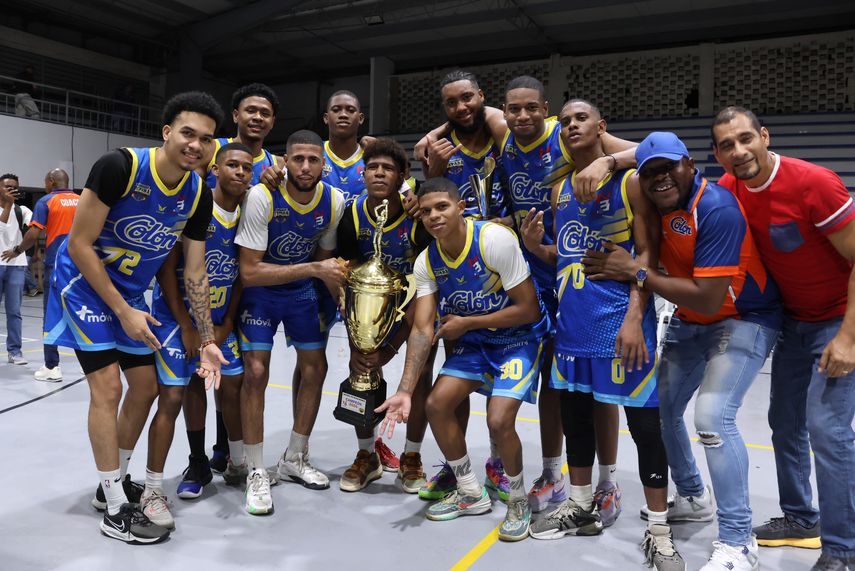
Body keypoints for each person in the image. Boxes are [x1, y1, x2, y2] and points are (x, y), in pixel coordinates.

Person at [585, 130, 782, 570]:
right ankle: (693, 496)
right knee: (661, 411)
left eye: (669, 168)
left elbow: (709, 298)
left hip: (742, 318)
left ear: (690, 165)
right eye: (650, 173)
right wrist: (610, 162)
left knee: (713, 419)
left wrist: (634, 273)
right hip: (691, 323)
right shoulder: (654, 205)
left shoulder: (716, 208)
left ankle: (738, 539)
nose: (660, 179)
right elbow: (636, 150)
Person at [43, 91, 227, 543]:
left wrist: (206, 338)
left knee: (144, 387)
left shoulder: (199, 193)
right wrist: (124, 311)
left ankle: (113, 486)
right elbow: (79, 244)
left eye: (206, 139)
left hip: (128, 293)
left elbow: (197, 272)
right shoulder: (119, 166)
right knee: (107, 387)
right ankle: (115, 506)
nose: (196, 145)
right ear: (167, 133)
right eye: (187, 133)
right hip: (83, 285)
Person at [520, 103, 681, 571]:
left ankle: (658, 530)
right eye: (565, 121)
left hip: (619, 327)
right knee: (576, 419)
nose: (571, 126)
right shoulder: (557, 191)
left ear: (601, 128)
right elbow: (567, 256)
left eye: (580, 119)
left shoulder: (629, 183)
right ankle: (582, 504)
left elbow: (646, 257)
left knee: (645, 428)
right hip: (571, 325)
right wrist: (536, 248)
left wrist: (635, 318)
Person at [712, 106, 855, 571]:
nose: (739, 151)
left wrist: (849, 338)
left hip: (839, 319)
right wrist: (609, 161)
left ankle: (843, 549)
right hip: (794, 322)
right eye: (727, 145)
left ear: (765, 137)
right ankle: (800, 518)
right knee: (784, 421)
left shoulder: (814, 183)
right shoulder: (729, 189)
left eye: (746, 138)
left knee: (828, 430)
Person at [376, 177, 550, 542]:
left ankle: (517, 501)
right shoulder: (427, 261)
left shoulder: (494, 240)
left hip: (517, 339)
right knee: (437, 404)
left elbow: (529, 309)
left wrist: (468, 322)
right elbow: (422, 329)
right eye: (426, 211)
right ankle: (470, 491)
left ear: (460, 207)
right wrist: (406, 390)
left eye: (442, 207)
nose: (434, 216)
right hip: (474, 342)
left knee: (499, 419)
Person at [234, 129, 346, 515]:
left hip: (300, 293)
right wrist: (315, 268)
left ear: (323, 164)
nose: (305, 166)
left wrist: (342, 301)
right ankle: (255, 469)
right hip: (261, 294)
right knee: (256, 371)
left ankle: (295, 457)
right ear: (284, 160)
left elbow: (326, 259)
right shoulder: (262, 196)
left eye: (313, 159)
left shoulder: (334, 200)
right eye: (297, 158)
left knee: (316, 368)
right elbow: (248, 272)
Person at [150, 143, 252, 500]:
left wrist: (223, 326)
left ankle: (231, 455)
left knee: (233, 383)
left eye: (246, 168)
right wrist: (189, 325)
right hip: (180, 316)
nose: (240, 172)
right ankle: (197, 461)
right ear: (215, 169)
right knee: (190, 387)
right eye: (232, 166)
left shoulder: (250, 212)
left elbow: (243, 276)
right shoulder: (196, 206)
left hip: (221, 317)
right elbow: (166, 269)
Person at [335, 138, 435, 493]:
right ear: (362, 173)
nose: (379, 173)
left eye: (388, 168)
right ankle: (367, 455)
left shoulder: (418, 216)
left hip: (415, 303)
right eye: (373, 167)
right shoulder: (351, 213)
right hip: (368, 308)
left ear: (403, 175)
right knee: (362, 369)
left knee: (420, 378)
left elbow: (427, 284)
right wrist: (354, 325)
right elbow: (346, 272)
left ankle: (411, 455)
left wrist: (391, 346)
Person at [199, 82, 279, 476]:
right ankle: (218, 450)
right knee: (213, 374)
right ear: (235, 115)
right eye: (250, 111)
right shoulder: (211, 153)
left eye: (265, 113)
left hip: (246, 284)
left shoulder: (277, 166)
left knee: (240, 374)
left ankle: (235, 451)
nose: (257, 118)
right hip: (205, 279)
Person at [2, 168, 78, 380]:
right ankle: (89, 364)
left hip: (56, 264)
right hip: (82, 266)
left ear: (51, 182)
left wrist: (17, 250)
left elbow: (34, 231)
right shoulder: (82, 200)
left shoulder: (45, 202)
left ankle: (51, 366)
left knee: (50, 314)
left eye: (45, 182)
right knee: (81, 313)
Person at [421, 70, 511, 224]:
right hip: (459, 239)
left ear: (481, 95)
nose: (461, 107)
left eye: (467, 97)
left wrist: (509, 221)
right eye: (451, 102)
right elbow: (432, 204)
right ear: (444, 106)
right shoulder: (437, 148)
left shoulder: (503, 136)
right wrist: (434, 172)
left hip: (506, 234)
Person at [0, 173, 31, 365]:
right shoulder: (10, 208)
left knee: (14, 311)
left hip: (17, 265)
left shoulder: (23, 210)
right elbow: (1, 228)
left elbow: (36, 228)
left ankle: (15, 351)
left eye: (14, 187)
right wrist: (9, 205)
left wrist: (18, 250)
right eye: (7, 187)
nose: (11, 190)